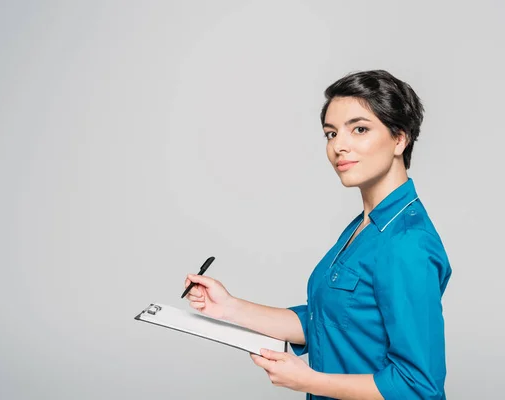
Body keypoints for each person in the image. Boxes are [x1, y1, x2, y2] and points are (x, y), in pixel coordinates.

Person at [184, 69, 452, 400]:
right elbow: (327, 322)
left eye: (360, 129)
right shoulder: (365, 226)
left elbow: (418, 385)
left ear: (400, 138)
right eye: (331, 133)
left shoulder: (406, 242)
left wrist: (307, 380)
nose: (340, 145)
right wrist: (228, 308)